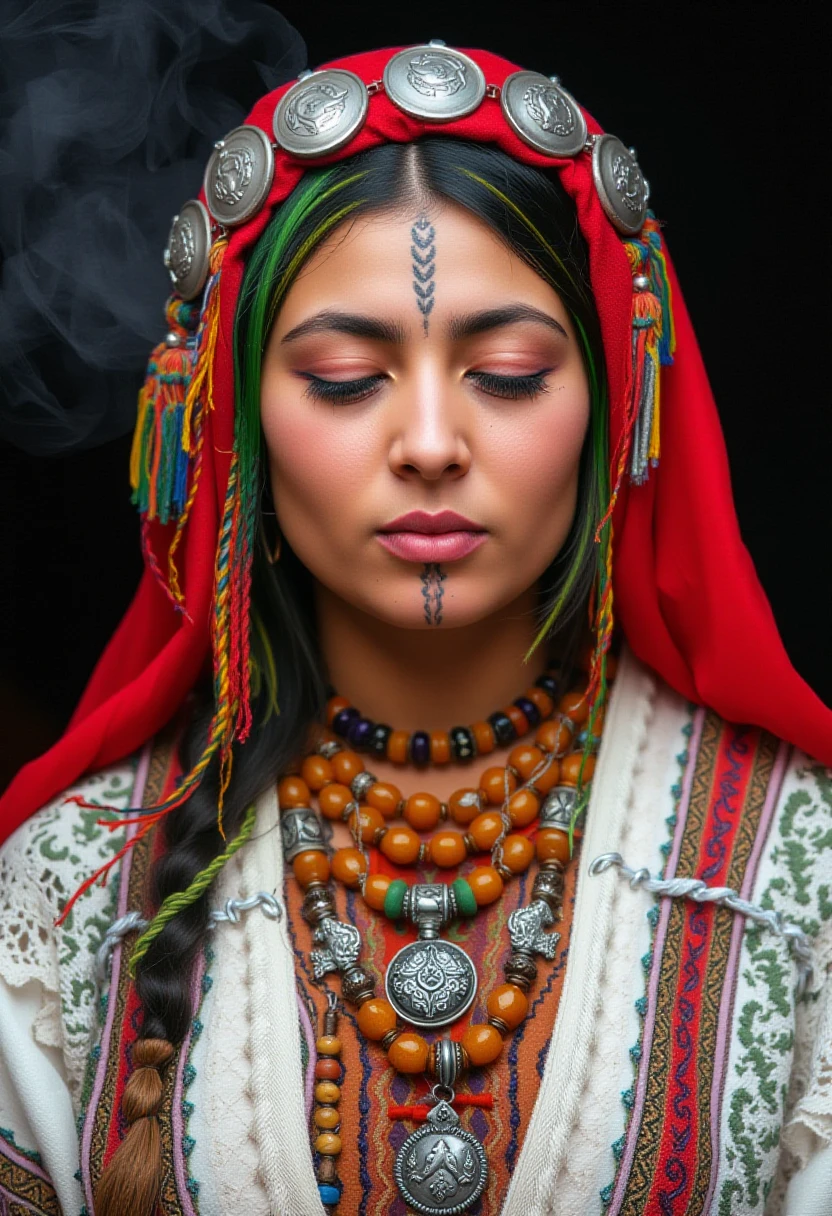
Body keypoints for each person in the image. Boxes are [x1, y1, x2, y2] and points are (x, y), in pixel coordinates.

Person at [0, 40, 830, 1216]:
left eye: (505, 371)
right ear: (231, 420)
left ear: (615, 405)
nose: (431, 441)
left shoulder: (796, 869)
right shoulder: (73, 888)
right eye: (344, 378)